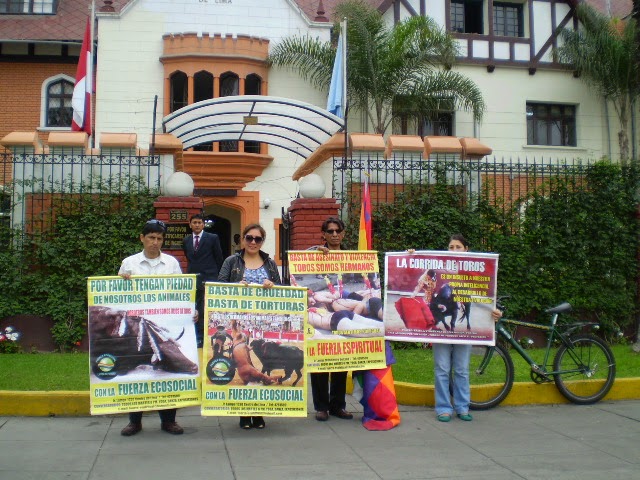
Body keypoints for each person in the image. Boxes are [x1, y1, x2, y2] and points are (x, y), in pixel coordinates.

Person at [118, 219, 188, 436]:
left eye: (159, 238)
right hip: (136, 328)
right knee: (137, 371)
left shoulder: (171, 264)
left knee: (166, 369)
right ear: (142, 238)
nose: (155, 242)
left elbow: (180, 293)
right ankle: (134, 421)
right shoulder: (129, 263)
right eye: (151, 238)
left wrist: (188, 312)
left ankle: (168, 420)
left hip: (163, 327)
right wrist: (121, 281)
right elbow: (117, 297)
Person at [431, 234, 502, 423]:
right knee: (442, 368)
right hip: (444, 326)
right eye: (451, 247)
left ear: (466, 249)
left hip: (463, 329)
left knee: (461, 369)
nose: (454, 250)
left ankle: (463, 406)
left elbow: (485, 295)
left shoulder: (476, 270)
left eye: (458, 247)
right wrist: (411, 256)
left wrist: (494, 312)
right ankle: (443, 408)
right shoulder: (440, 266)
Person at [218, 223, 281, 430]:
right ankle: (244, 413)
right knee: (247, 368)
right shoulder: (231, 261)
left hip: (261, 320)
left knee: (258, 365)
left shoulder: (270, 264)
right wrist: (236, 287)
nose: (253, 242)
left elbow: (282, 290)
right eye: (249, 238)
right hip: (240, 319)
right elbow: (219, 287)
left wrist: (272, 286)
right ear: (242, 240)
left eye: (258, 239)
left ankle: (259, 412)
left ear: (262, 241)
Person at [310, 217, 353, 422]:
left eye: (338, 231)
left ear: (343, 234)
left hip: (342, 308)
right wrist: (315, 251)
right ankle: (321, 407)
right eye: (330, 231)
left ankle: (338, 406)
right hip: (320, 308)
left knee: (341, 359)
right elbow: (299, 266)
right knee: (320, 358)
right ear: (324, 235)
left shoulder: (353, 258)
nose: (334, 234)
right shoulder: (315, 254)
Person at [183, 214, 224, 348]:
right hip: (193, 278)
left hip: (209, 277)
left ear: (203, 224)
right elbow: (189, 257)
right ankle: (196, 337)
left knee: (206, 308)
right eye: (194, 222)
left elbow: (218, 258)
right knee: (194, 309)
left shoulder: (212, 238)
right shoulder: (186, 240)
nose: (197, 225)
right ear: (190, 225)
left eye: (199, 222)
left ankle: (207, 336)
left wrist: (217, 278)